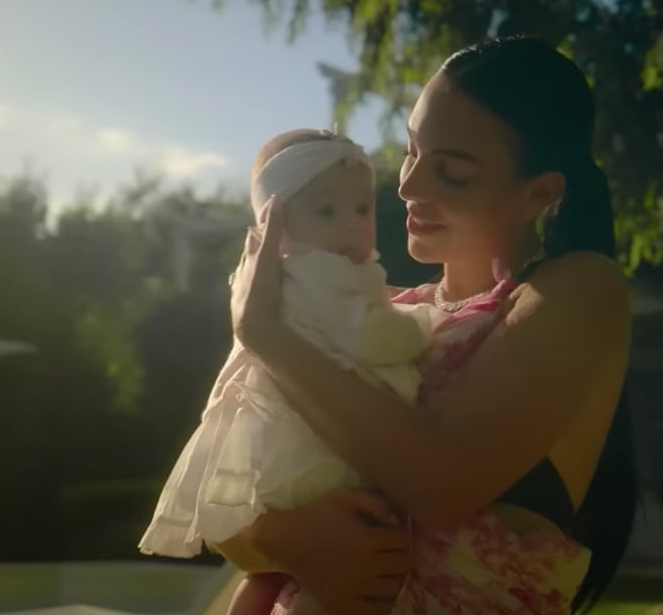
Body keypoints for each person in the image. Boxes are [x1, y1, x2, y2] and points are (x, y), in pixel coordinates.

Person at [221, 36, 637, 614]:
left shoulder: (576, 290)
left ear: (539, 193)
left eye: (453, 172)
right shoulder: (373, 311)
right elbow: (221, 476)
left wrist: (265, 333)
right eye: (412, 151)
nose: (408, 186)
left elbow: (441, 484)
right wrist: (277, 536)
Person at [138, 129, 438, 615]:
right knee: (337, 577)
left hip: (278, 455)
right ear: (279, 224)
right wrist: (420, 327)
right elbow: (369, 338)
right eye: (326, 211)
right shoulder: (320, 272)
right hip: (315, 453)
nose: (349, 226)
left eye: (360, 210)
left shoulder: (279, 276)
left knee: (272, 574)